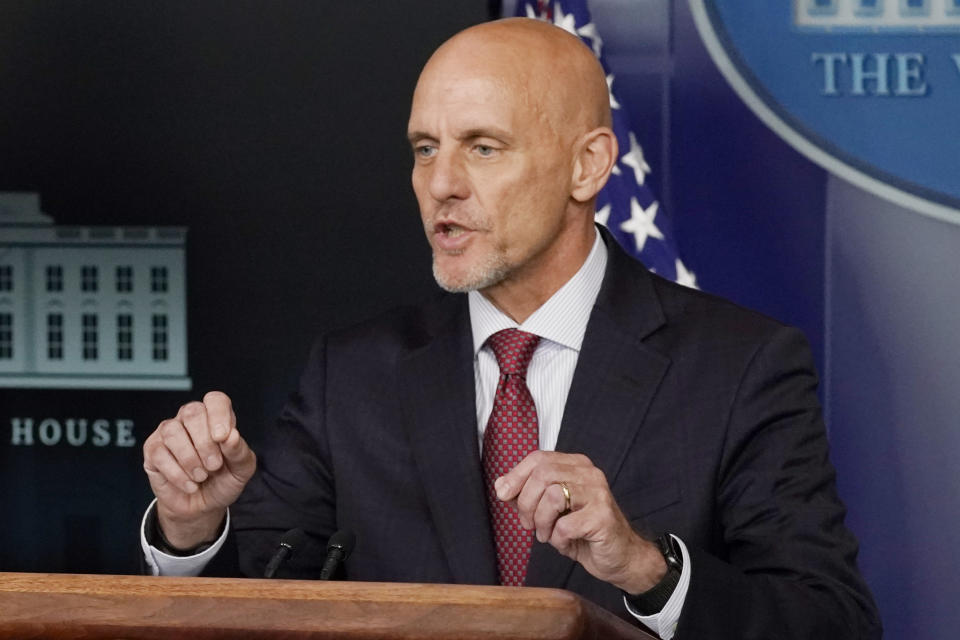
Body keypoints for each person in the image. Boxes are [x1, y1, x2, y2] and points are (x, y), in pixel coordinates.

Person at [140, 17, 881, 639]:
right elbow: (264, 599)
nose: (439, 184)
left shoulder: (739, 367)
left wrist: (646, 568)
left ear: (587, 166)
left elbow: (830, 622)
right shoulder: (353, 373)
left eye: (482, 147)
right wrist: (193, 530)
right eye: (425, 148)